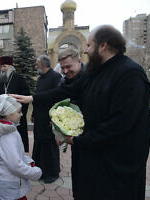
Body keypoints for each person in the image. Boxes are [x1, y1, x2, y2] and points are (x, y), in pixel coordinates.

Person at [11, 25, 150, 200]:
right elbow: (66, 91)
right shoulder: (96, 72)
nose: (85, 51)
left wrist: (78, 140)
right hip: (91, 161)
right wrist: (32, 99)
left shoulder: (130, 74)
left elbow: (119, 125)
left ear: (103, 46)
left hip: (115, 169)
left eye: (89, 45)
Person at [0, 94, 42, 200]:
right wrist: (35, 172)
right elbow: (15, 164)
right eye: (18, 112)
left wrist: (27, 160)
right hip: (11, 185)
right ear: (7, 114)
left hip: (5, 182)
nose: (21, 115)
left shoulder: (6, 128)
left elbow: (13, 154)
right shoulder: (7, 135)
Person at [57, 48, 85, 196]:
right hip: (74, 138)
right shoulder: (65, 81)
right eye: (62, 68)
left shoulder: (89, 79)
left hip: (89, 138)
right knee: (78, 174)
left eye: (69, 66)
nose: (65, 71)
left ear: (79, 61)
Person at [31, 55, 61, 184]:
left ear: (43, 65)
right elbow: (37, 97)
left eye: (37, 64)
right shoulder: (41, 78)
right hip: (39, 118)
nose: (36, 66)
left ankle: (52, 172)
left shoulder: (56, 77)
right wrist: (33, 113)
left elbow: (59, 99)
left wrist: (55, 119)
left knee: (49, 146)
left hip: (49, 118)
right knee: (39, 144)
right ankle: (40, 170)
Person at [0, 56, 30, 152]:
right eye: (1, 67)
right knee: (4, 142)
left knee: (18, 141)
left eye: (4, 66)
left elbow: (26, 95)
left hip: (17, 116)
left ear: (11, 67)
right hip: (3, 117)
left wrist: (21, 113)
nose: (2, 69)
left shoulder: (19, 79)